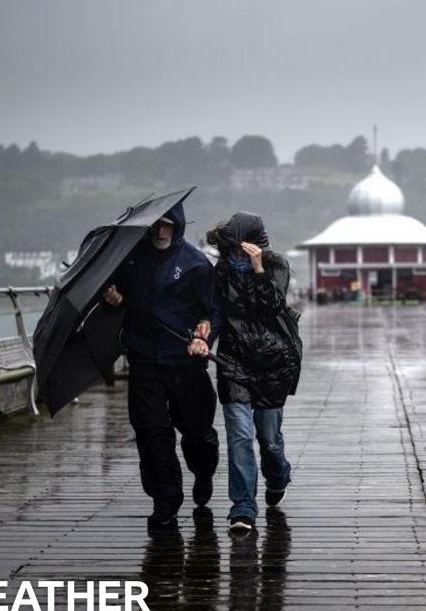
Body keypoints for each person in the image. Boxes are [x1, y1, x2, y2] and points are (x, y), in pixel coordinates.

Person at [102, 204, 221, 531]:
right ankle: (165, 501)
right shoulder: (130, 260)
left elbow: (211, 311)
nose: (161, 231)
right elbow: (119, 297)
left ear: (178, 226)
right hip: (143, 360)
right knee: (151, 433)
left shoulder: (196, 264)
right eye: (156, 225)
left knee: (197, 432)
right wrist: (112, 298)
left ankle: (203, 471)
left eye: (168, 225)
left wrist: (203, 336)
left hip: (185, 361)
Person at [205, 212, 302, 533]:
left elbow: (272, 307)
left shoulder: (276, 266)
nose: (234, 253)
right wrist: (202, 337)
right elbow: (216, 313)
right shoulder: (221, 272)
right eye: (230, 248)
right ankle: (243, 508)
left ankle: (278, 475)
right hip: (234, 362)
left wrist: (259, 269)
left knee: (269, 440)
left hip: (274, 362)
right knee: (240, 436)